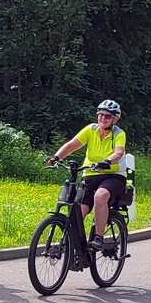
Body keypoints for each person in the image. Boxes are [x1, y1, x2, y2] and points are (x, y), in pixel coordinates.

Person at [47, 99, 127, 250]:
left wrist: (107, 161)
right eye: (100, 115)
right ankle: (71, 245)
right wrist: (56, 157)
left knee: (100, 196)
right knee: (78, 212)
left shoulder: (119, 134)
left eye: (107, 116)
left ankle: (99, 238)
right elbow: (71, 145)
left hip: (113, 175)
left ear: (115, 119)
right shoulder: (91, 129)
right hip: (90, 175)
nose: (103, 118)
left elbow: (118, 152)